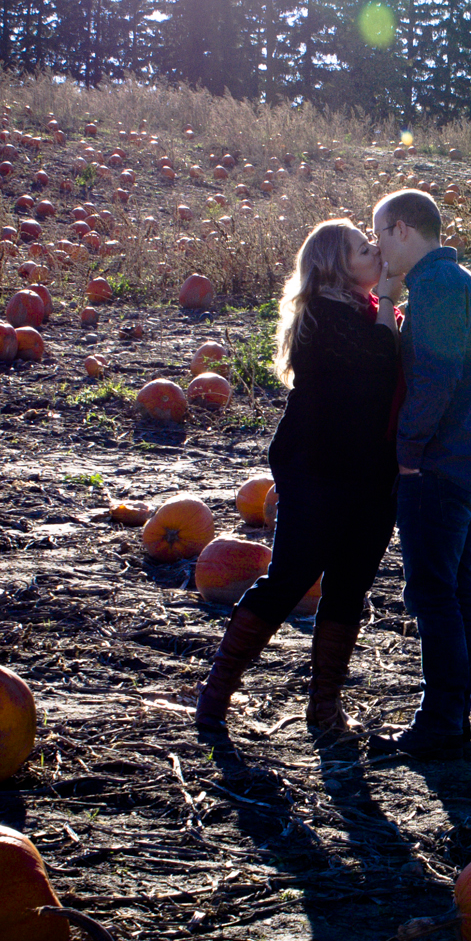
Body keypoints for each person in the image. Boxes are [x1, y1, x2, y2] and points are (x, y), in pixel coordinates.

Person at [195, 218, 402, 738]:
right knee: (289, 579)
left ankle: (325, 709)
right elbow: (377, 364)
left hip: (371, 473)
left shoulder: (368, 310)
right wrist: (389, 302)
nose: (374, 249)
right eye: (362, 247)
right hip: (318, 471)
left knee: (350, 587)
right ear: (336, 266)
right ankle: (216, 695)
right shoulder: (324, 316)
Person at [367, 188, 471, 762]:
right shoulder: (460, 282)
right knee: (453, 594)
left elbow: (436, 379)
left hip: (438, 467)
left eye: (379, 236)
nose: (377, 249)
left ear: (400, 229)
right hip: (468, 463)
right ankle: (451, 718)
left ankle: (441, 722)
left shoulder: (440, 288)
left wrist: (407, 451)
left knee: (432, 596)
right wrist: (386, 299)